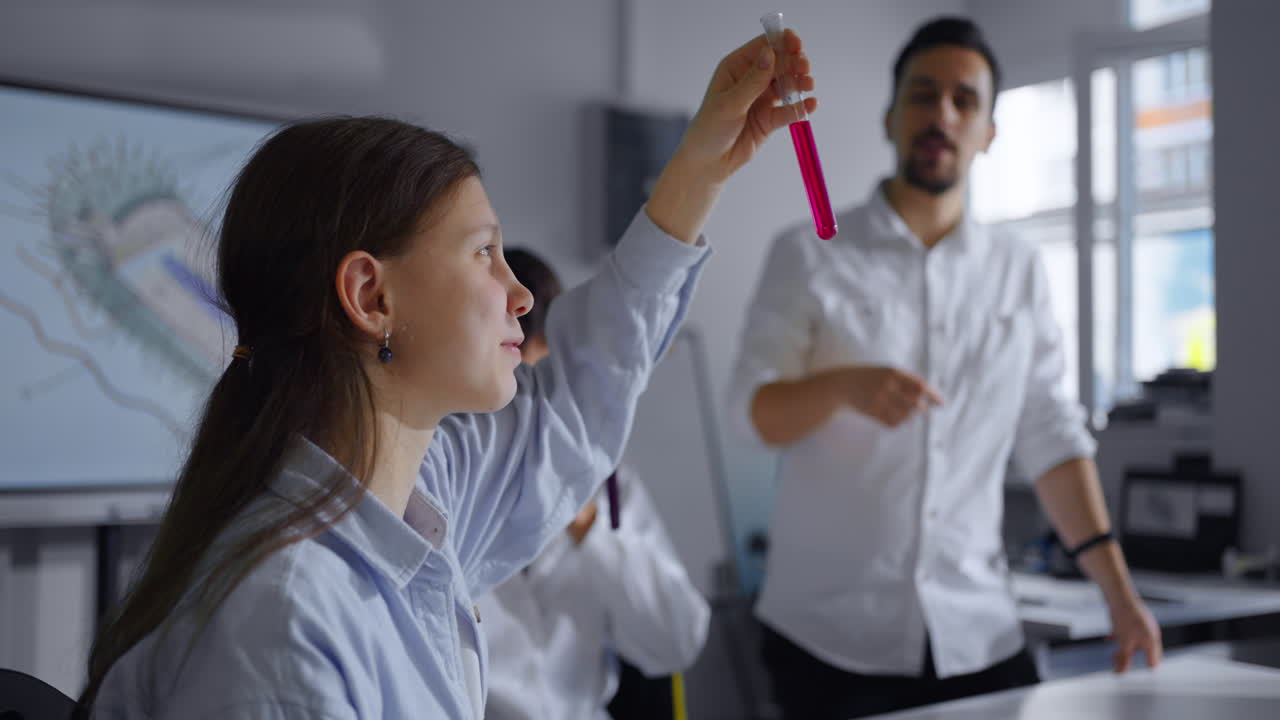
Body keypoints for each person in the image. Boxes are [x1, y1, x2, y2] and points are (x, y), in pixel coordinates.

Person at [79, 29, 817, 719]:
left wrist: (702, 165)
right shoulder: (284, 620)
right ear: (372, 296)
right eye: (483, 254)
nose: (522, 296)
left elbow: (579, 398)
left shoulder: (424, 493)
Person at [728, 17, 1162, 720]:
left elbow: (1052, 435)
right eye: (924, 96)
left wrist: (1120, 595)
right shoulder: (809, 254)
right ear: (890, 116)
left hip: (977, 634)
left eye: (965, 101)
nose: (942, 114)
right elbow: (750, 412)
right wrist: (843, 386)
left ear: (989, 131)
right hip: (831, 640)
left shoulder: (1018, 272)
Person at [477, 248, 710, 720]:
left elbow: (676, 641)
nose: (529, 417)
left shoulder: (606, 482)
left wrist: (586, 525)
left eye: (542, 390)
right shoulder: (437, 486)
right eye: (512, 395)